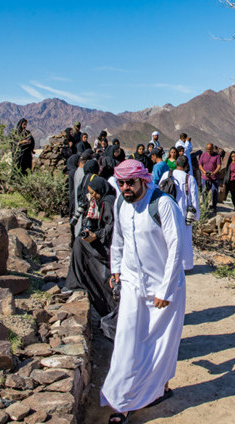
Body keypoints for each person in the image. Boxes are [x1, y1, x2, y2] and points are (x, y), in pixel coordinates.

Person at [101, 159, 185, 422]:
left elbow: (176, 249)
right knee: (127, 343)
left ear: (143, 180)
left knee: (161, 345)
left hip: (163, 289)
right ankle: (122, 402)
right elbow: (119, 238)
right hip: (133, 284)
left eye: (130, 183)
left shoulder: (163, 204)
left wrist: (166, 289)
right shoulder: (121, 204)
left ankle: (156, 390)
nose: (126, 188)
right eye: (122, 183)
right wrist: (116, 268)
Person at [64, 173, 119, 338]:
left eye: (94, 193)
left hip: (109, 247)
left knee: (80, 245)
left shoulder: (107, 203)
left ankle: (76, 281)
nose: (92, 196)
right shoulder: (103, 201)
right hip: (105, 242)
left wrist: (96, 236)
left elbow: (111, 227)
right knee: (81, 243)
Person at [159, 155, 199, 271]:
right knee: (185, 240)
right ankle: (184, 266)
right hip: (183, 213)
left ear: (176, 163)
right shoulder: (189, 178)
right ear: (187, 166)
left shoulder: (166, 175)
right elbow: (194, 198)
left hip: (166, 211)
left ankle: (167, 265)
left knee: (167, 238)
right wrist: (195, 216)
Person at [199, 143, 222, 211]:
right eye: (208, 149)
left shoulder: (217, 156)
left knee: (214, 191)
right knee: (204, 191)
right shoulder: (203, 155)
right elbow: (200, 165)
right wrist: (204, 172)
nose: (209, 150)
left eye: (210, 149)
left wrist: (214, 172)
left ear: (213, 148)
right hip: (204, 177)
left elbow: (219, 166)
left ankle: (214, 206)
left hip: (214, 177)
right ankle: (205, 206)